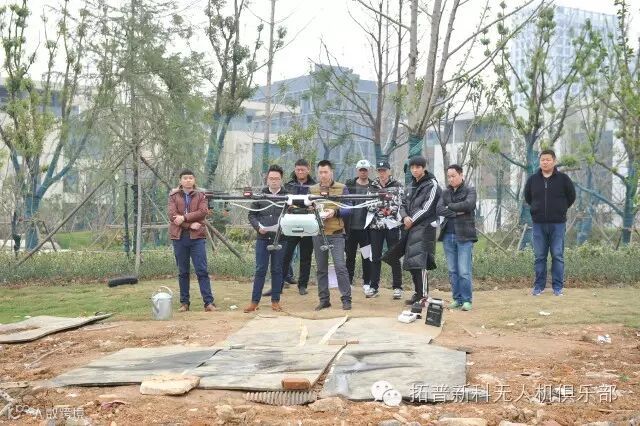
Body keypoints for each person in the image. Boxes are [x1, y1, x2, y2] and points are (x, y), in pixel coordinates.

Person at [524, 149, 576, 296]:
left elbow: (571, 196)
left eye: (548, 159)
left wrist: (561, 209)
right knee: (539, 256)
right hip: (538, 224)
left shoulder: (563, 179)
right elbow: (528, 197)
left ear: (554, 161)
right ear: (539, 162)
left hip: (558, 224)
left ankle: (558, 287)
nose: (545, 162)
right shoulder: (533, 180)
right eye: (542, 160)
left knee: (557, 255)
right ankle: (538, 286)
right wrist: (536, 210)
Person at [168, 169, 215, 312]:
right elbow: (172, 216)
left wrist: (184, 217)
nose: (188, 180)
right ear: (180, 181)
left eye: (190, 178)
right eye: (185, 178)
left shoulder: (201, 195)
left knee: (202, 270)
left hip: (197, 237)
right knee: (183, 271)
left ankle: (208, 303)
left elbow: (203, 212)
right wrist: (188, 225)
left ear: (194, 180)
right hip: (179, 237)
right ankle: (184, 303)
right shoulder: (173, 196)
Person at [309, 159, 352, 311]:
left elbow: (349, 208)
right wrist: (311, 210)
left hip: (336, 233)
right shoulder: (312, 189)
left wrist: (335, 212)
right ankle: (324, 300)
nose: (323, 175)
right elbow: (306, 207)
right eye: (320, 172)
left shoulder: (342, 188)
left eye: (325, 172)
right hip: (318, 233)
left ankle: (346, 299)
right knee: (321, 269)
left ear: (331, 172)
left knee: (340, 267)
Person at [244, 165, 288, 312]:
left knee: (277, 269)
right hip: (262, 238)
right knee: (260, 269)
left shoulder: (288, 197)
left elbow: (293, 213)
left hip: (281, 238)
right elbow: (251, 214)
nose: (274, 181)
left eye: (277, 179)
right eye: (271, 178)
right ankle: (254, 302)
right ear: (267, 179)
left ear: (281, 180)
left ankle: (275, 301)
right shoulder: (260, 196)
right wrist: (258, 227)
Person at [400, 156, 441, 306]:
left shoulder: (432, 184)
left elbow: (427, 207)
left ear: (424, 168)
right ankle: (417, 294)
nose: (415, 170)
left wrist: (411, 220)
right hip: (410, 228)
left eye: (418, 167)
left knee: (420, 263)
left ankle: (423, 296)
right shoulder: (410, 185)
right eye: (412, 167)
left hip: (424, 229)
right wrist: (404, 217)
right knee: (412, 263)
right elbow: (402, 204)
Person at [436, 164, 477, 311]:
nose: (451, 179)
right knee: (452, 270)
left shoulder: (470, 190)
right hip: (448, 235)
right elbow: (439, 209)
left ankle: (466, 300)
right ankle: (457, 298)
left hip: (465, 235)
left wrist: (449, 207)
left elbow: (469, 205)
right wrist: (456, 212)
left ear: (461, 175)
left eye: (453, 176)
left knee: (464, 270)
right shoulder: (445, 193)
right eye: (449, 176)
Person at [367, 160, 404, 299]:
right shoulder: (372, 186)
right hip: (376, 226)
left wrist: (387, 209)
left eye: (384, 171)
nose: (382, 173)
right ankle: (373, 287)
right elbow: (369, 204)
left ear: (389, 171)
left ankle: (397, 287)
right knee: (375, 257)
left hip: (392, 226)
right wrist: (384, 207)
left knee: (394, 255)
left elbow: (400, 204)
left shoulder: (397, 185)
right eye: (379, 171)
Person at [281, 158, 316, 295]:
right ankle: (280, 282)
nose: (300, 172)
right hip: (291, 223)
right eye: (298, 169)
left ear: (308, 170)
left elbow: (317, 203)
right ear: (295, 170)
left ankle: (302, 285)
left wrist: (312, 207)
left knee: (306, 257)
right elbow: (284, 203)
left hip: (308, 223)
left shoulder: (314, 186)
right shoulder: (288, 185)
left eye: (303, 169)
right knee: (285, 255)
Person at [345, 159, 373, 294]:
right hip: (351, 229)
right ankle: (348, 281)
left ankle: (367, 282)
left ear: (369, 171)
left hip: (366, 229)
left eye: (365, 170)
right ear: (357, 170)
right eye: (361, 170)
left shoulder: (373, 186)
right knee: (350, 256)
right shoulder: (349, 185)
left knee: (366, 257)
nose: (363, 172)